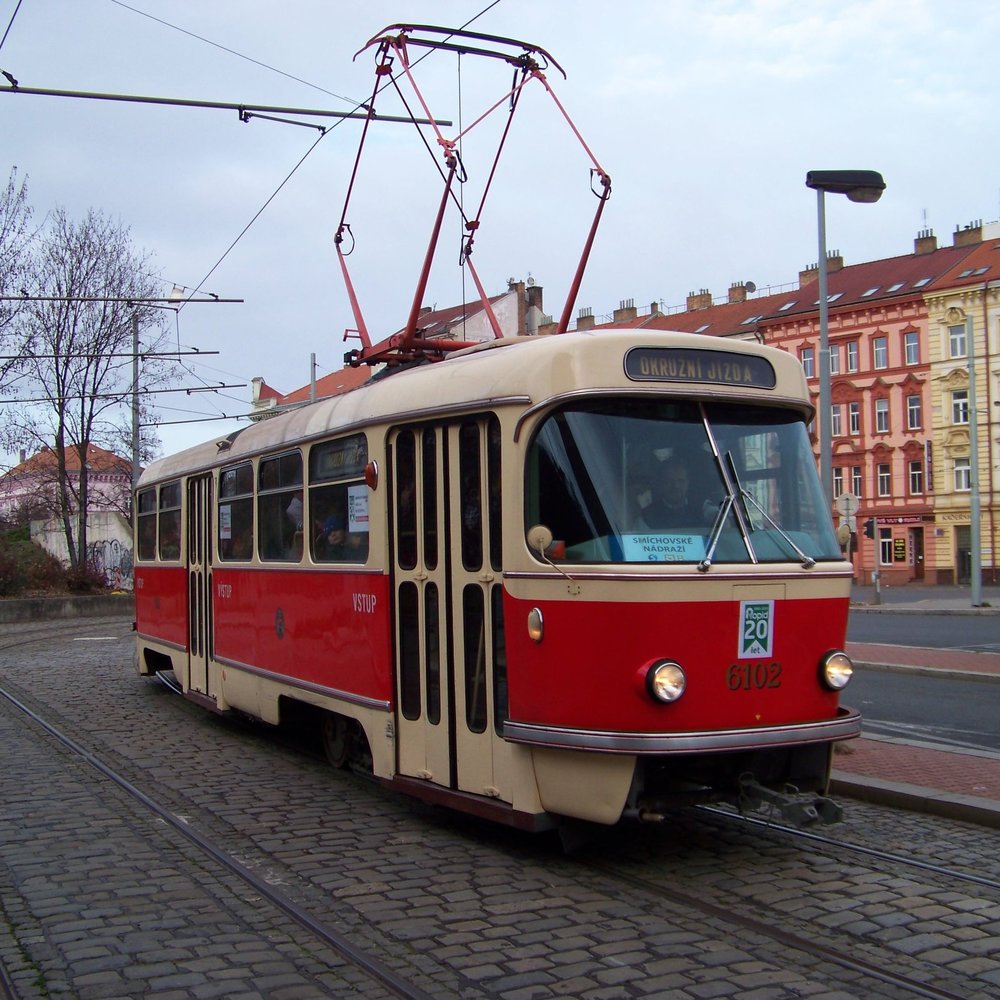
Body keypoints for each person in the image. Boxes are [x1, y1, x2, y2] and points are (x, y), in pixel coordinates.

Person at [644, 457, 695, 527]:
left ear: (688, 483)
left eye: (680, 481)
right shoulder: (646, 517)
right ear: (661, 484)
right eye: (669, 481)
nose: (676, 486)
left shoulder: (702, 509)